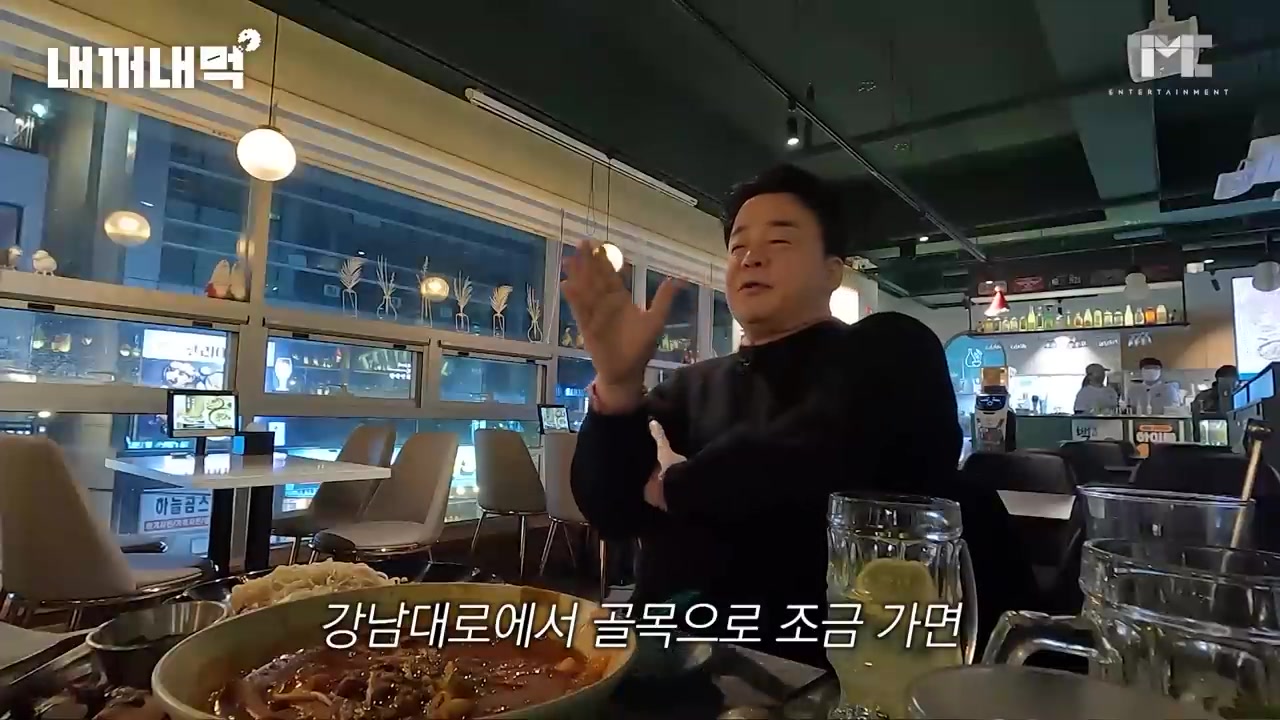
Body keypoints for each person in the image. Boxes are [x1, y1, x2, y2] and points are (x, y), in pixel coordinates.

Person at [563, 165, 1037, 666]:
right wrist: (617, 386)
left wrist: (674, 485)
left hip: (826, 670)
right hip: (670, 668)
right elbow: (612, 510)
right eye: (738, 247)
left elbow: (821, 457)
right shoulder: (688, 387)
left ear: (833, 271)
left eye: (780, 241)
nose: (751, 257)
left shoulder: (890, 350)